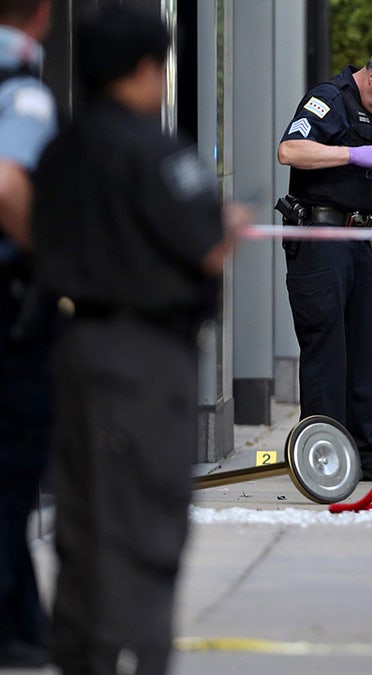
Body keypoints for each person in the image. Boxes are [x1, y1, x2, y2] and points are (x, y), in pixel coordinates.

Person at [30, 8, 245, 672]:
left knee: (83, 521)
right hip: (147, 355)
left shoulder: (60, 149)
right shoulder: (157, 153)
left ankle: (82, 654)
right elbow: (205, 245)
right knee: (148, 518)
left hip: (73, 347)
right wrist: (229, 226)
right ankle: (143, 656)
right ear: (147, 69)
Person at [277, 44, 372, 483]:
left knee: (367, 342)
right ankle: (324, 455)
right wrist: (347, 154)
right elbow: (290, 150)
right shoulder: (329, 99)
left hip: (356, 237)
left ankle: (365, 451)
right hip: (320, 238)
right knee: (327, 347)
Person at [0, 0, 54, 667]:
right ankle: (14, 621)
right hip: (10, 304)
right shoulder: (21, 85)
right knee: (13, 467)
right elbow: (10, 182)